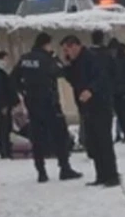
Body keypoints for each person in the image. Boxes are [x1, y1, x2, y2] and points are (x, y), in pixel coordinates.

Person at [11, 33, 82, 183]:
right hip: (50, 103)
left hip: (32, 103)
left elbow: (13, 78)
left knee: (37, 138)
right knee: (60, 135)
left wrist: (23, 91)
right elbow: (61, 71)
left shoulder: (25, 59)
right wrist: (56, 58)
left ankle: (41, 171)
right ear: (47, 44)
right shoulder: (47, 59)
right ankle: (64, 168)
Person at [61, 35, 120, 187]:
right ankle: (101, 175)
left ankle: (112, 175)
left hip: (100, 104)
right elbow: (73, 80)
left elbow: (101, 78)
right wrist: (67, 65)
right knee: (93, 142)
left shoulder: (92, 58)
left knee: (104, 141)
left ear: (75, 46)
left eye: (68, 49)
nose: (67, 52)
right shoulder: (76, 62)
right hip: (86, 107)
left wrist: (90, 90)